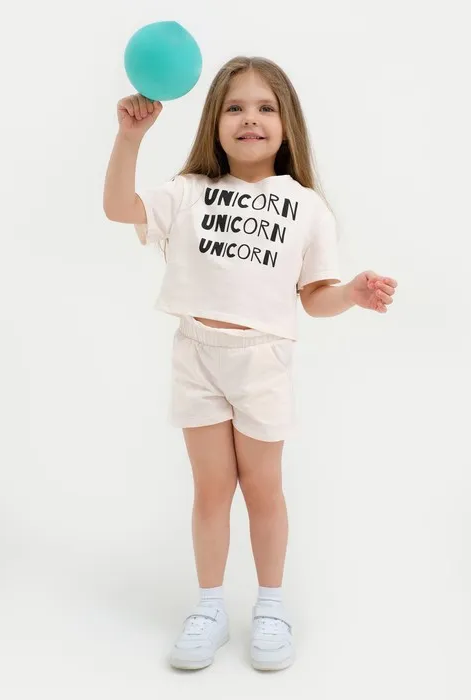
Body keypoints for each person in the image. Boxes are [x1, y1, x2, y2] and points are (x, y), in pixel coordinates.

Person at [103, 55, 397, 672]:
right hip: (196, 355)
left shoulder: (306, 207)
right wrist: (130, 138)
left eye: (266, 108)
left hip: (262, 362)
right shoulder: (189, 192)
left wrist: (350, 293)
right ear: (214, 122)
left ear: (287, 125)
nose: (250, 119)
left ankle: (270, 606)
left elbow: (314, 297)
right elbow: (119, 208)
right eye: (234, 107)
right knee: (211, 489)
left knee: (263, 488)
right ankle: (210, 607)